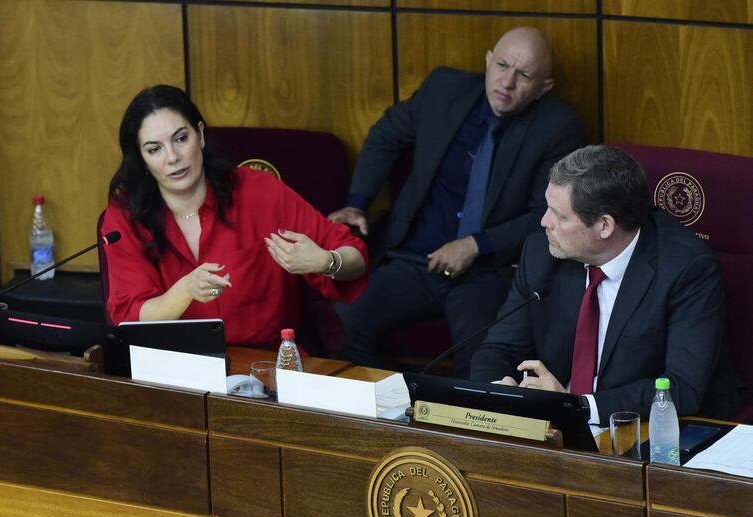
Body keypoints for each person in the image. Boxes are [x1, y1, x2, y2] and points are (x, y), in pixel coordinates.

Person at [329, 27, 583, 377]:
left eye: (523, 75)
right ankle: (389, 413)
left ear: (544, 87)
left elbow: (544, 215)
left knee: (483, 360)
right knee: (343, 323)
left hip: (486, 273)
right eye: (502, 65)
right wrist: (357, 203)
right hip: (413, 259)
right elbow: (385, 136)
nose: (506, 82)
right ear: (488, 61)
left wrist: (476, 245)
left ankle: (454, 427)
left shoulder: (557, 127)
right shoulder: (443, 89)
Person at [469, 145, 744, 423]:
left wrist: (576, 406)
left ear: (604, 226)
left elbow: (682, 388)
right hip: (557, 424)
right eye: (547, 208)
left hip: (658, 428)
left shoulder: (686, 268)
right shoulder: (542, 253)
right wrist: (498, 390)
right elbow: (499, 348)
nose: (544, 222)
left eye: (560, 216)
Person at [102, 85, 367, 347]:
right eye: (154, 149)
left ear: (201, 136)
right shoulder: (125, 216)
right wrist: (184, 291)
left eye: (181, 138)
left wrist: (327, 261)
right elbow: (130, 318)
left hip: (265, 367)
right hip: (176, 369)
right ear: (141, 158)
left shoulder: (258, 192)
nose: (172, 157)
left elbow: (355, 258)